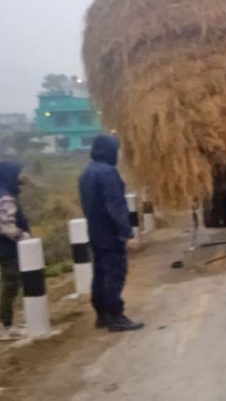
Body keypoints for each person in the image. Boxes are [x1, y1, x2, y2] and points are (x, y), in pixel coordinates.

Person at [79, 135, 144, 332]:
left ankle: (102, 315)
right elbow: (115, 206)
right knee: (114, 275)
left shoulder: (86, 173)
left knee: (99, 274)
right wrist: (127, 234)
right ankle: (116, 317)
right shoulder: (108, 173)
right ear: (108, 151)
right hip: (110, 233)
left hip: (95, 232)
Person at [0, 162, 30, 341]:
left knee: (11, 283)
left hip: (6, 247)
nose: (21, 177)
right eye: (18, 174)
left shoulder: (6, 192)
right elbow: (6, 226)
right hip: (7, 248)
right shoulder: (5, 197)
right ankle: (6, 326)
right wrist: (23, 236)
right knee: (11, 284)